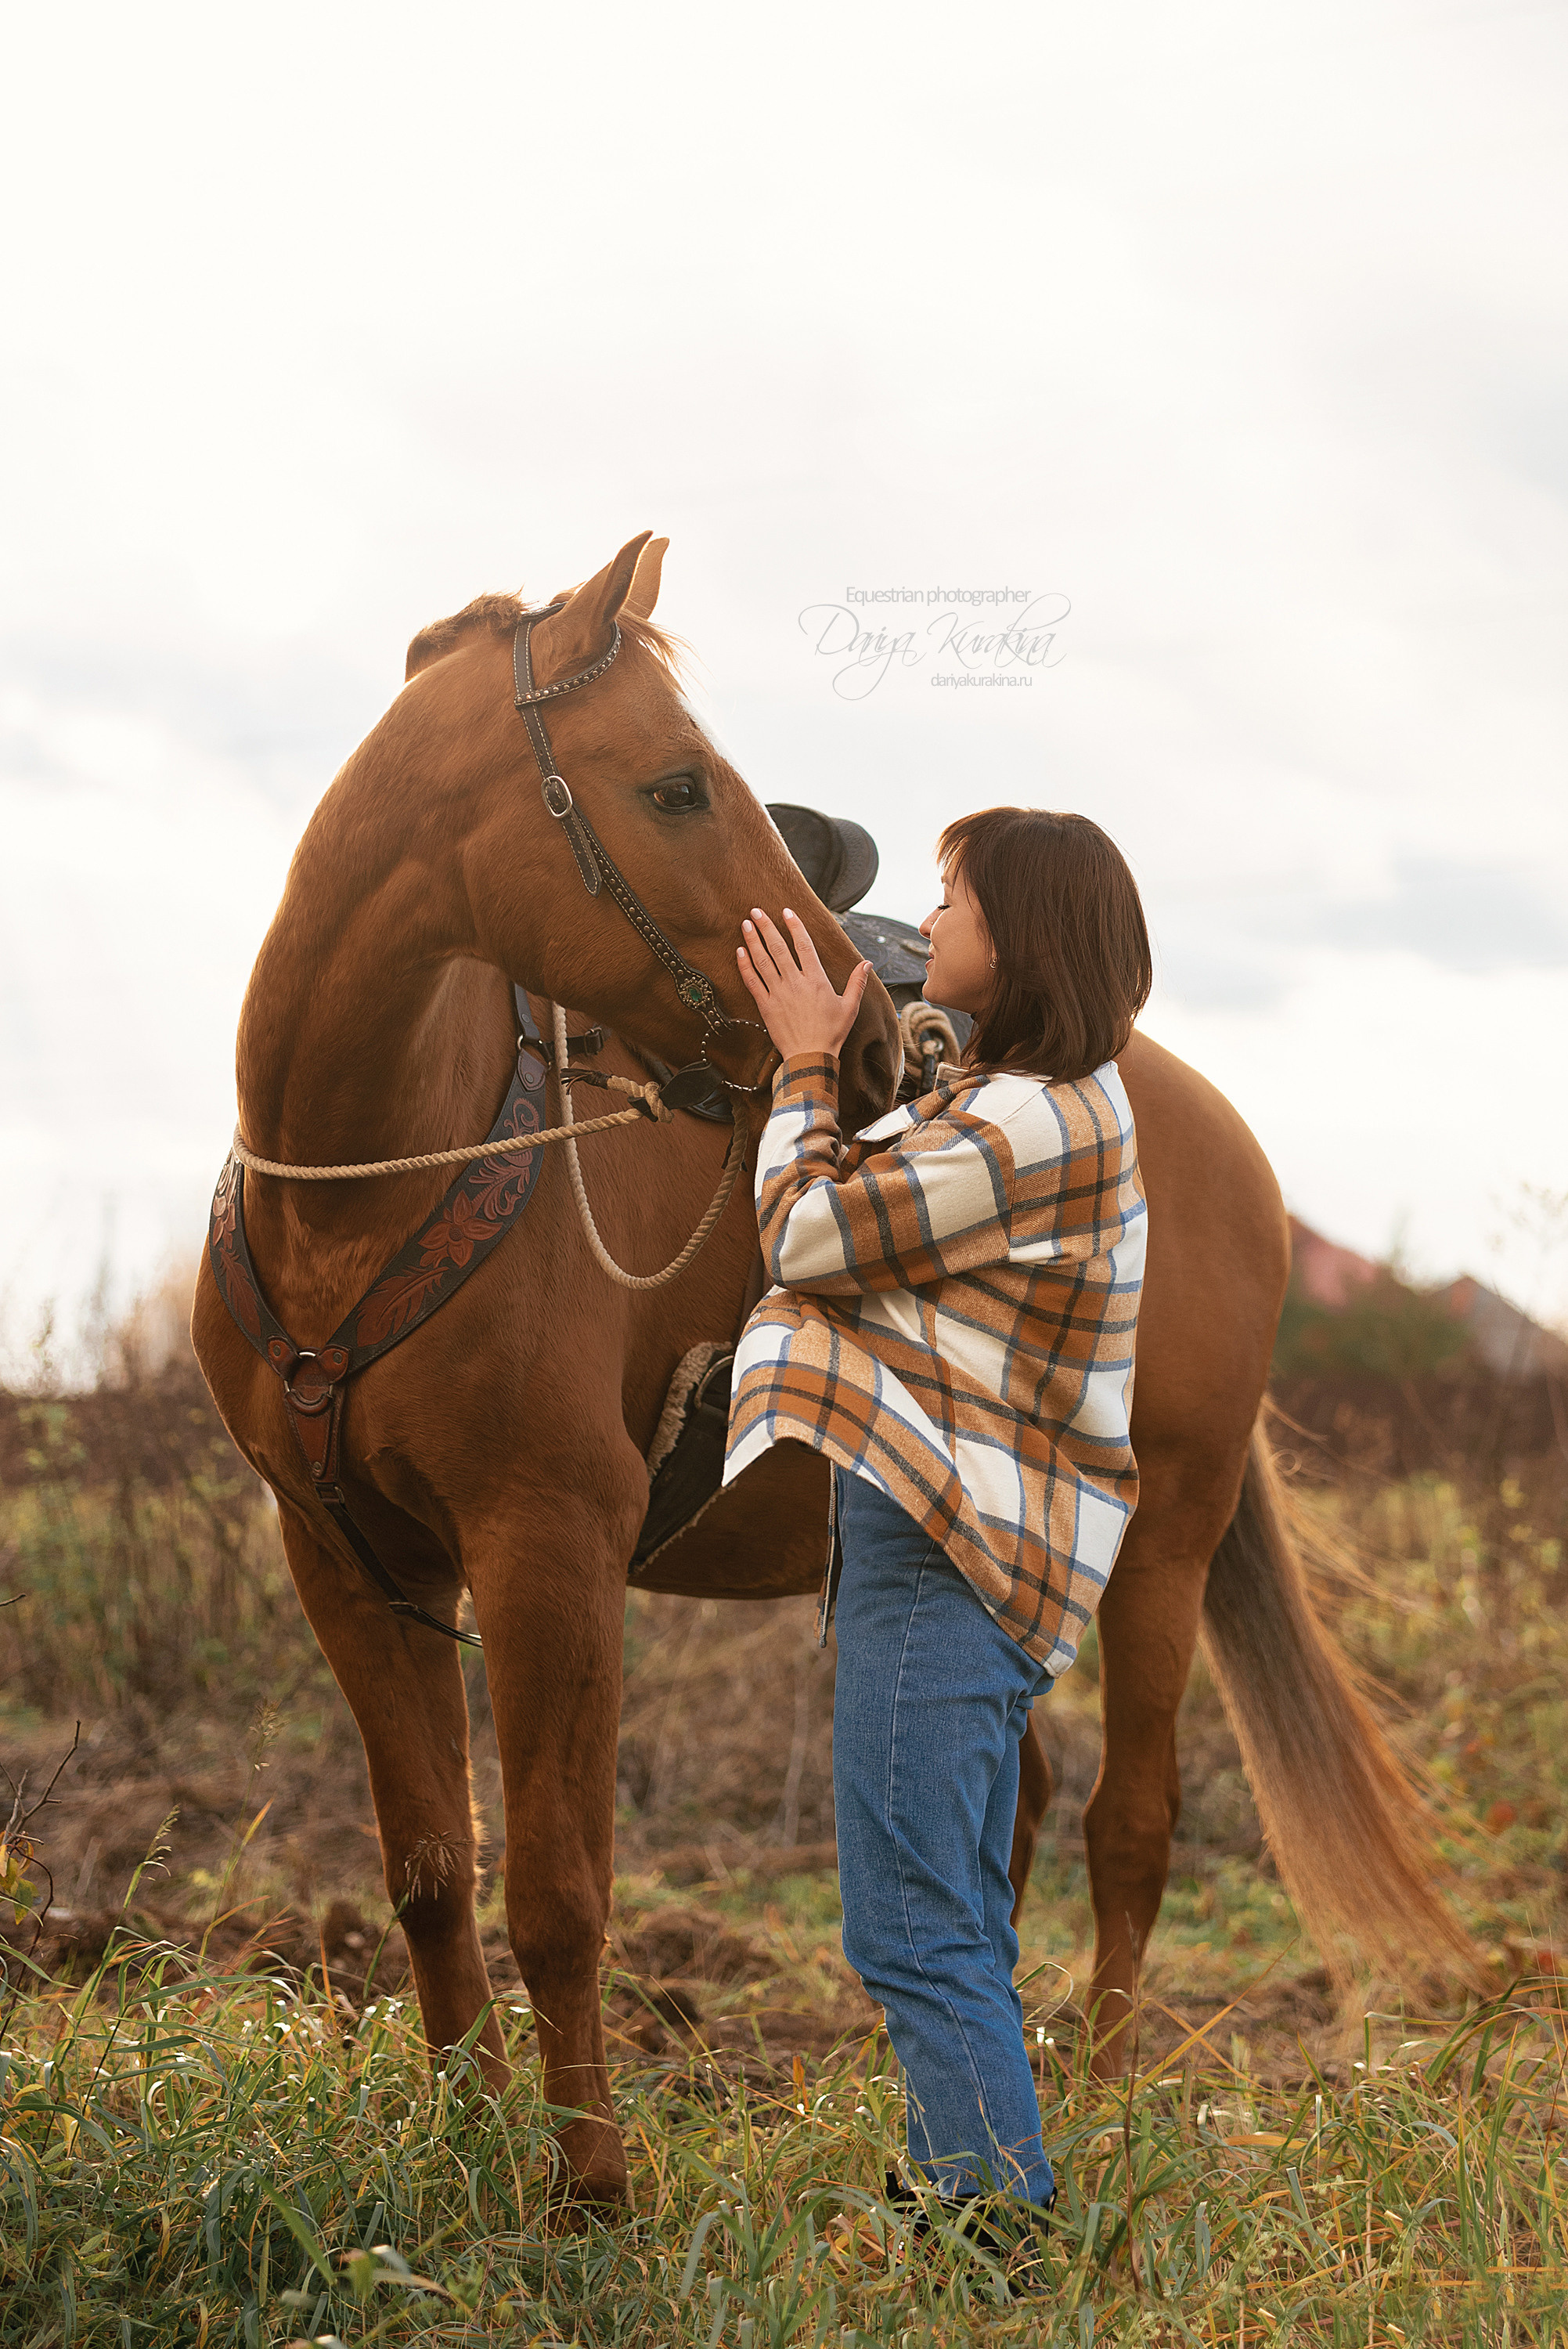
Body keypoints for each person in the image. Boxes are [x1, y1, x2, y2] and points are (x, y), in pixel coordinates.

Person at [724, 805, 1151, 2243]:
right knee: (951, 1909)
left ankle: (995, 2230)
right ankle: (960, 2183)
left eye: (953, 898)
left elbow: (807, 1235)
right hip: (958, 1547)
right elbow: (920, 1152)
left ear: (1018, 936)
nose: (930, 920)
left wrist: (801, 1064)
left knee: (907, 1924)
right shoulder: (1038, 1097)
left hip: (946, 1552)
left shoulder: (1029, 1120)